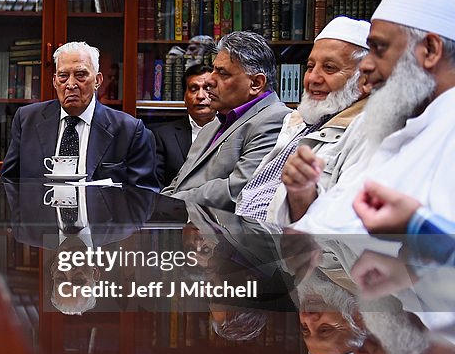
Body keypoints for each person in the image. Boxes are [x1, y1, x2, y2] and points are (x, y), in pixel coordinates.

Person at [292, 0, 455, 234]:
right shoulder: (390, 125)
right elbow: (331, 221)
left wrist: (418, 229)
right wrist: (302, 193)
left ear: (431, 50)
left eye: (379, 49)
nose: (365, 67)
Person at [236, 17, 372, 223]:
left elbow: (343, 227)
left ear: (365, 80)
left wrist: (302, 194)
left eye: (329, 68)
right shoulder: (301, 121)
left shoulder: (367, 134)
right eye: (310, 67)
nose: (313, 78)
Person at [1, 41, 159, 189]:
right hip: (41, 216)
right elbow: (9, 183)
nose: (70, 84)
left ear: (97, 80)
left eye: (81, 75)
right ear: (55, 81)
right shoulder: (27, 119)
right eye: (63, 76)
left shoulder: (128, 130)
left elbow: (144, 196)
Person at [162, 31, 291, 210]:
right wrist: (159, 205)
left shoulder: (277, 120)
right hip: (187, 224)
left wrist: (170, 203)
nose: (209, 80)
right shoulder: (213, 124)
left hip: (224, 234)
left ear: (256, 83)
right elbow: (179, 182)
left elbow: (238, 189)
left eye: (222, 73)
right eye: (213, 69)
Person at [150, 63, 215, 187]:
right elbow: (155, 185)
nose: (201, 96)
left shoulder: (231, 130)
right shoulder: (162, 136)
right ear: (184, 97)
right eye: (194, 89)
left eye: (207, 89)